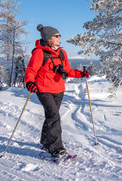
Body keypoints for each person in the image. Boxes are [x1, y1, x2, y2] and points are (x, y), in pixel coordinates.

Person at [24, 24, 89, 160]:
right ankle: (57, 149)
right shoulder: (39, 53)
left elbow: (68, 71)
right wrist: (30, 82)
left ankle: (45, 142)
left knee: (51, 116)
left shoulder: (61, 53)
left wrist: (81, 74)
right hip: (43, 89)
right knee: (54, 116)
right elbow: (31, 70)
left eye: (59, 35)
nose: (60, 38)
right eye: (57, 36)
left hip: (58, 89)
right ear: (49, 38)